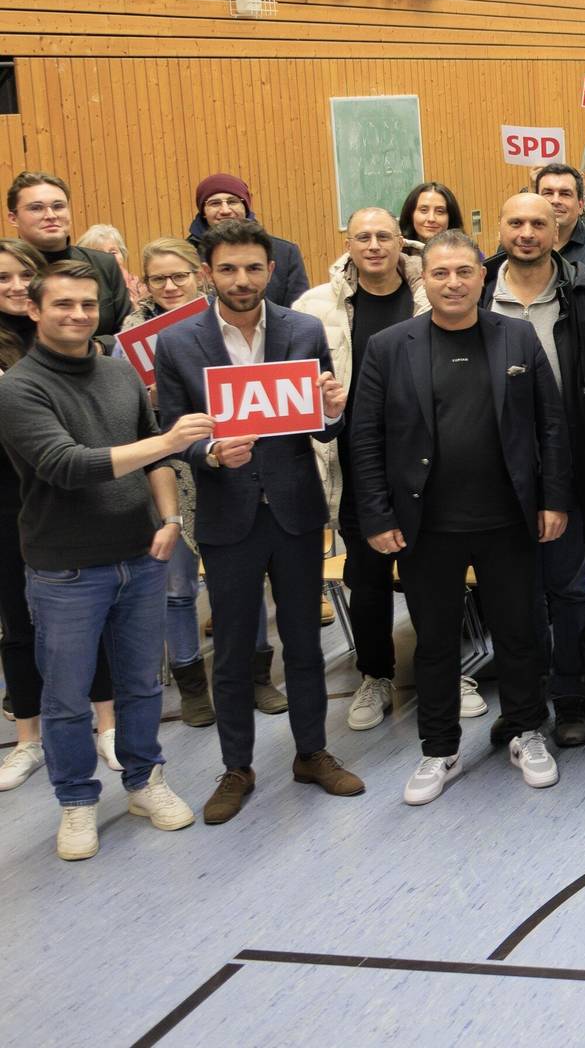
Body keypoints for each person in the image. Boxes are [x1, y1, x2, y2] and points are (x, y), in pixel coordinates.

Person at [154, 220, 366, 823]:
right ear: (207, 274)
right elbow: (174, 436)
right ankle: (236, 768)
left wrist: (331, 411)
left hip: (295, 509)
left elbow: (322, 428)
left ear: (270, 271)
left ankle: (312, 753)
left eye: (253, 268)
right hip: (227, 516)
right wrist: (209, 453)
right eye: (228, 269)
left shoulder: (303, 329)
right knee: (235, 654)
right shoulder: (178, 344)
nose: (241, 280)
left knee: (303, 642)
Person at [349, 231, 570, 806]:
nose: (453, 283)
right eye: (440, 273)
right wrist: (375, 514)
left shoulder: (516, 337)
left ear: (483, 277)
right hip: (426, 527)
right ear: (424, 278)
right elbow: (365, 437)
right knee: (437, 643)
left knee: (521, 634)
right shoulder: (389, 346)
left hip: (509, 521)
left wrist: (553, 500)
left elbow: (551, 425)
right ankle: (438, 747)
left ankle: (526, 731)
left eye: (464, 272)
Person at [0, 261, 208, 859]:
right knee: (65, 697)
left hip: (140, 557)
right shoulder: (18, 389)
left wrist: (168, 519)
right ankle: (76, 803)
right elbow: (69, 465)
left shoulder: (119, 374)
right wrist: (169, 440)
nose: (78, 315)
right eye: (63, 305)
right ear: (35, 311)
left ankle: (146, 782)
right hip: (65, 570)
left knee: (142, 685)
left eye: (88, 304)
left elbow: (155, 464)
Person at [291, 209, 448, 735]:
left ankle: (444, 672)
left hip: (430, 461)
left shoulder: (431, 292)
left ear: (400, 240)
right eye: (364, 237)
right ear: (348, 243)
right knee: (369, 578)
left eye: (384, 235)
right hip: (359, 462)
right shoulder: (316, 307)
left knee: (434, 575)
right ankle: (375, 674)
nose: (375, 245)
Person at [481, 193, 585, 746]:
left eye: (540, 222)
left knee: (568, 589)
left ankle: (571, 696)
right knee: (514, 595)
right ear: (501, 229)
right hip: (493, 471)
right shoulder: (478, 292)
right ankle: (524, 702)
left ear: (560, 228)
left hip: (569, 464)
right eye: (516, 222)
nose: (529, 232)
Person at [0, 239, 121, 793]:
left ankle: (108, 725)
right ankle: (29, 739)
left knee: (90, 618)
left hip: (78, 497)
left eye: (23, 275)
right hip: (11, 497)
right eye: (2, 278)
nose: (15, 286)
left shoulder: (80, 344)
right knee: (19, 624)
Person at [118, 239, 223, 726]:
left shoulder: (223, 319)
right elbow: (124, 416)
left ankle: (252, 676)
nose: (170, 286)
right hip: (166, 471)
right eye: (158, 278)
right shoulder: (131, 335)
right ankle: (192, 684)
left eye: (178, 275)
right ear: (144, 282)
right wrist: (150, 396)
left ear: (198, 275)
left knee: (232, 580)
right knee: (178, 588)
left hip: (224, 460)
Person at [5, 171, 131, 338]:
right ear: (13, 218)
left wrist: (100, 347)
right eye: (36, 208)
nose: (51, 216)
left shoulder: (104, 264)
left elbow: (128, 331)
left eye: (58, 206)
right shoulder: (7, 273)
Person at [187, 173, 310, 308]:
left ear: (245, 207)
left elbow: (299, 308)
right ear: (203, 211)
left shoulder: (285, 253)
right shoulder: (186, 255)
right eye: (215, 203)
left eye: (233, 201)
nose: (225, 210)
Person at [531, 163, 585, 288]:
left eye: (565, 194)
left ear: (580, 206)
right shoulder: (517, 245)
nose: (556, 200)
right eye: (548, 193)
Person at [76, 224, 144, 308]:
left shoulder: (140, 288)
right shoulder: (82, 292)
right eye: (100, 254)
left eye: (113, 252)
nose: (109, 258)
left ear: (122, 254)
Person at [399, 181, 464, 243]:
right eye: (424, 210)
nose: (431, 219)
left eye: (440, 211)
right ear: (410, 214)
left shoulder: (466, 252)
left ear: (451, 217)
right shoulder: (396, 252)